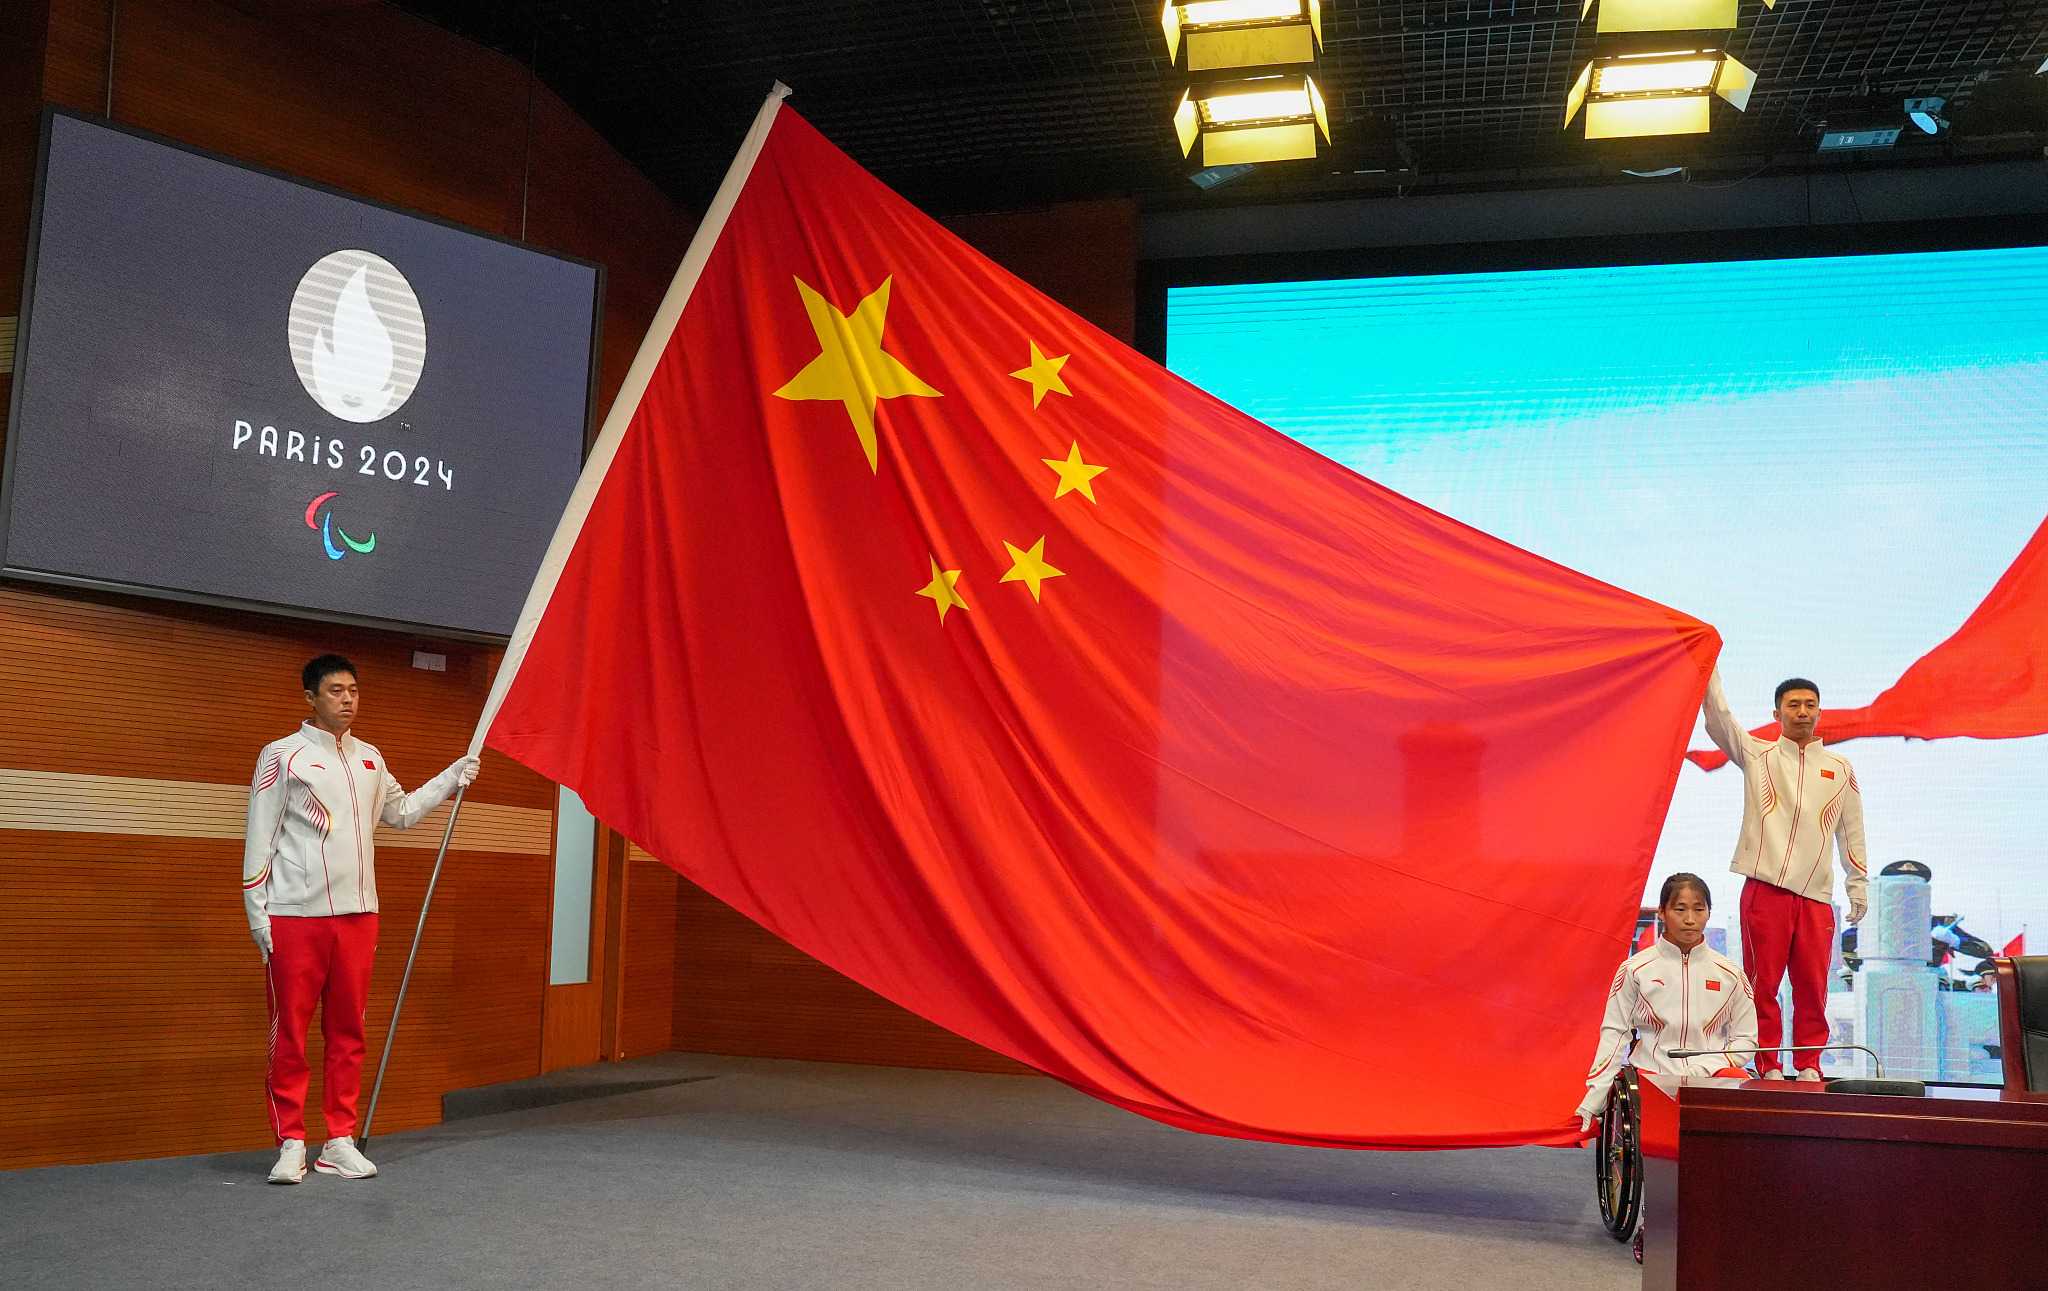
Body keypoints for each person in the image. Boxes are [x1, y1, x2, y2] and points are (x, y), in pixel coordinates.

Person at [243, 654, 479, 1184]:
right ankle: (291, 1142)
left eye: (353, 690)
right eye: (334, 691)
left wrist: (450, 776)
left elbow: (401, 815)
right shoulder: (283, 756)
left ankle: (339, 1140)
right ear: (310, 698)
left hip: (359, 917)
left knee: (349, 1031)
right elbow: (260, 834)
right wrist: (258, 916)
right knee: (292, 1035)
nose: (347, 699)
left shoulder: (371, 758)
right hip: (293, 915)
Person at [1702, 671, 1867, 1079]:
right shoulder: (1757, 755)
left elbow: (1852, 831)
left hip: (1815, 895)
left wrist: (1857, 884)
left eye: (1810, 705)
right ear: (1777, 713)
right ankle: (1769, 1064)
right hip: (1766, 889)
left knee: (1812, 988)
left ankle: (1809, 1064)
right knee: (1764, 987)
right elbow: (1719, 718)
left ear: (1820, 712)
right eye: (1793, 705)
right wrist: (1706, 669)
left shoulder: (1840, 768)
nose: (1802, 712)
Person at [1576, 872, 1758, 1134]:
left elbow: (1746, 1041)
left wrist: (1704, 1067)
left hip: (1711, 1081)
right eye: (1679, 909)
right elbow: (1615, 1033)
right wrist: (1595, 1096)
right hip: (1652, 1080)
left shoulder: (1730, 973)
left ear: (1709, 912)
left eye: (1699, 909)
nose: (1690, 920)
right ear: (1662, 912)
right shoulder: (1635, 970)